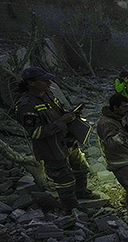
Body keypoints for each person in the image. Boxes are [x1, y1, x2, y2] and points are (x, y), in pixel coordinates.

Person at [14, 66, 98, 212]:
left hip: (67, 141)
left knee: (80, 167)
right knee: (63, 178)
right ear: (31, 83)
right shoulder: (26, 105)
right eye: (44, 80)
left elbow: (59, 112)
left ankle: (81, 192)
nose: (48, 83)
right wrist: (62, 122)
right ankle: (71, 207)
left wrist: (71, 115)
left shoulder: (48, 94)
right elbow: (35, 133)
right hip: (51, 147)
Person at [97, 93, 128, 225]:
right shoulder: (106, 123)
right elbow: (112, 144)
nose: (127, 109)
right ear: (115, 107)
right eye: (124, 107)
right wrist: (126, 127)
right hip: (119, 162)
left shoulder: (119, 117)